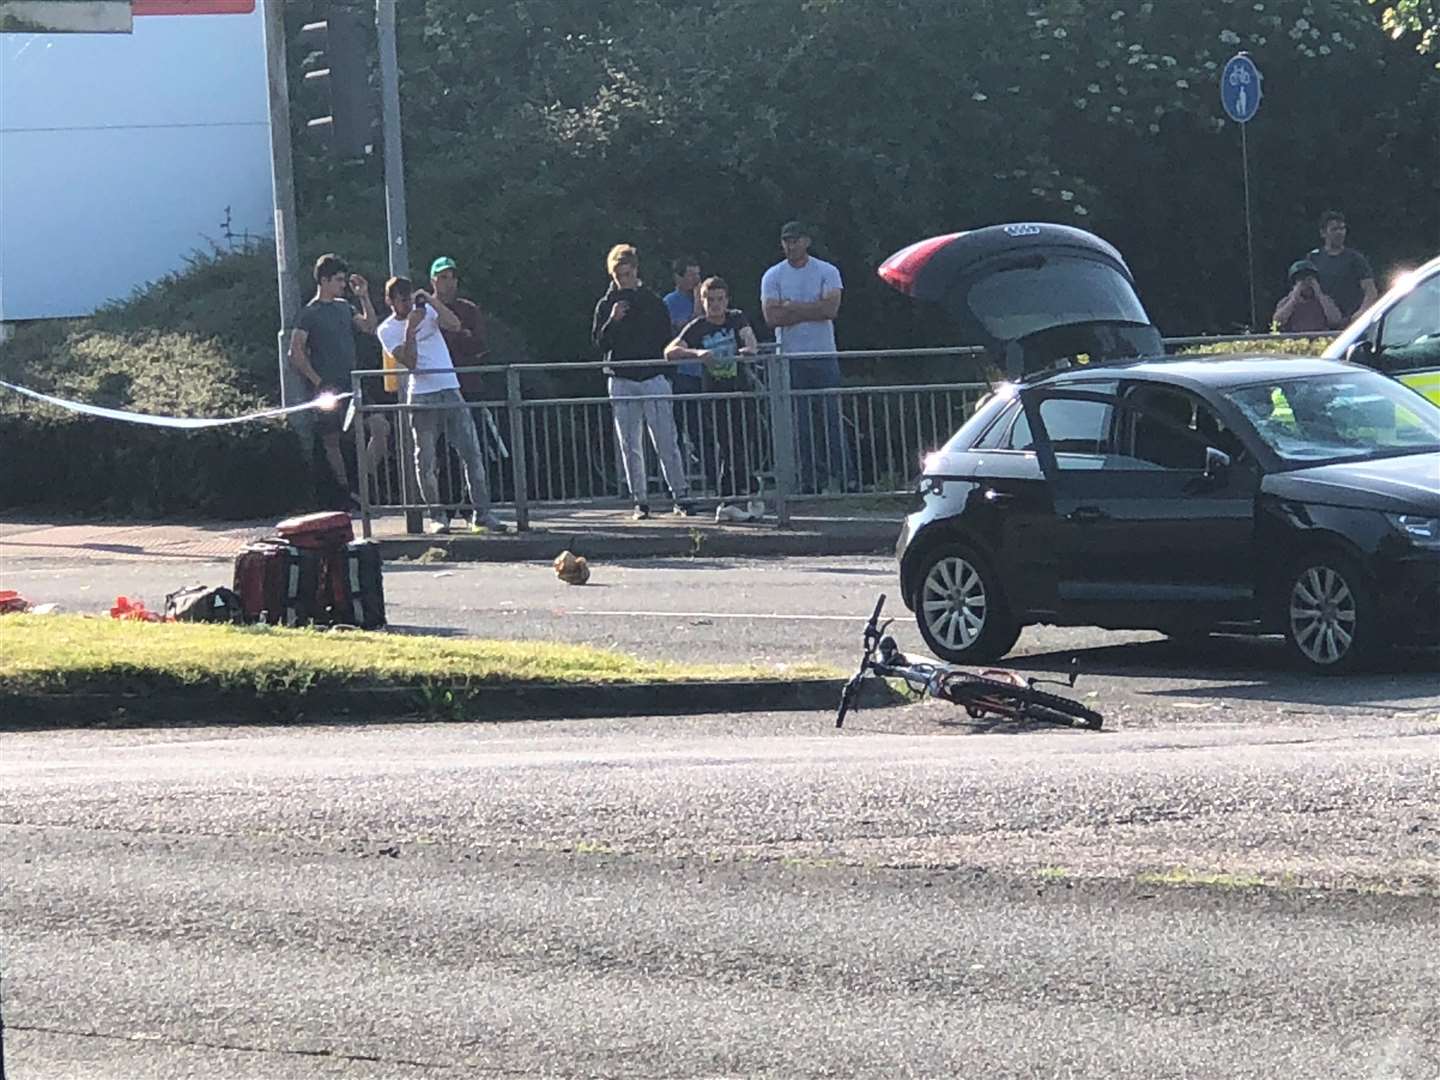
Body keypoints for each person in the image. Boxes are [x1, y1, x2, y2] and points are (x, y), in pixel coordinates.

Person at [375, 276, 508, 535]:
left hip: (450, 389)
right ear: (389, 301)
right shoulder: (387, 330)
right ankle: (437, 516)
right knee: (425, 459)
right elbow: (410, 363)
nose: (405, 303)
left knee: (472, 453)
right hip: (422, 396)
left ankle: (483, 513)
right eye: (400, 299)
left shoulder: (428, 312)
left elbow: (454, 324)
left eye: (408, 297)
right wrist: (410, 330)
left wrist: (430, 299)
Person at [591, 244, 692, 520]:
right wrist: (612, 321)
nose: (622, 281)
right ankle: (640, 500)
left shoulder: (652, 301)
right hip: (622, 379)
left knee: (665, 439)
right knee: (629, 443)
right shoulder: (606, 305)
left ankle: (680, 495)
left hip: (652, 377)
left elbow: (663, 336)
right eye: (617, 276)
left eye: (626, 274)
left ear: (635, 270)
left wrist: (665, 374)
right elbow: (599, 343)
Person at [761, 220, 851, 493]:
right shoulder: (772, 276)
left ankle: (846, 478)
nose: (790, 245)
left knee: (832, 419)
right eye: (786, 240)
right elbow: (771, 317)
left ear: (807, 241)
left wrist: (792, 308)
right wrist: (812, 308)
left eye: (796, 239)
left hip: (824, 355)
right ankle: (808, 482)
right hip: (790, 359)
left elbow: (831, 309)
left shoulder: (828, 271)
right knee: (800, 425)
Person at [665, 276, 761, 519]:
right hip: (714, 394)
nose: (716, 305)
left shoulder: (736, 317)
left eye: (720, 299)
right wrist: (697, 352)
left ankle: (745, 491)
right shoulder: (698, 327)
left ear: (727, 300)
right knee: (725, 446)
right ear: (702, 301)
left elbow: (749, 337)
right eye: (710, 300)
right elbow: (670, 351)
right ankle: (734, 497)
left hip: (740, 391)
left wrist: (748, 349)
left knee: (742, 444)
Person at [288, 253, 380, 509]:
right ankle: (346, 491)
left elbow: (370, 327)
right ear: (325, 280)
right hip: (327, 387)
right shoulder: (308, 313)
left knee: (381, 427)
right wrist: (317, 381)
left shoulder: (344, 307)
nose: (343, 285)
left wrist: (364, 296)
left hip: (352, 383)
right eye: (339, 280)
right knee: (332, 440)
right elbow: (295, 352)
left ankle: (362, 482)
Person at [430, 255, 510, 499]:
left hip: (468, 386)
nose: (449, 283)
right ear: (433, 281)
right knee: (440, 452)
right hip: (437, 388)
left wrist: (460, 335)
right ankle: (445, 506)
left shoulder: (469, 309)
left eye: (452, 277)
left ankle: (474, 506)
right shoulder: (424, 310)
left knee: (473, 449)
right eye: (443, 277)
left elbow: (479, 344)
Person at [663, 255, 707, 485]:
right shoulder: (671, 301)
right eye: (691, 275)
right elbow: (687, 330)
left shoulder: (708, 299)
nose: (696, 280)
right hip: (682, 374)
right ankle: (678, 482)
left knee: (704, 429)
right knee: (680, 427)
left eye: (698, 275)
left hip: (704, 374)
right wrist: (699, 305)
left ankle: (711, 477)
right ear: (678, 277)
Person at [1307, 210, 1378, 321]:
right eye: (1334, 229)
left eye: (1342, 228)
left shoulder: (1355, 258)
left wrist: (1362, 312)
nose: (1340, 232)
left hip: (1351, 320)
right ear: (1323, 233)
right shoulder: (1313, 258)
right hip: (1321, 321)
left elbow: (1370, 290)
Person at [1273, 259, 1343, 333]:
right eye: (1302, 279)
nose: (1307, 284)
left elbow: (1336, 321)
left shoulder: (1326, 301)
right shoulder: (1285, 302)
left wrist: (1319, 294)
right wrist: (1294, 299)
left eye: (1310, 279)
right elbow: (1277, 323)